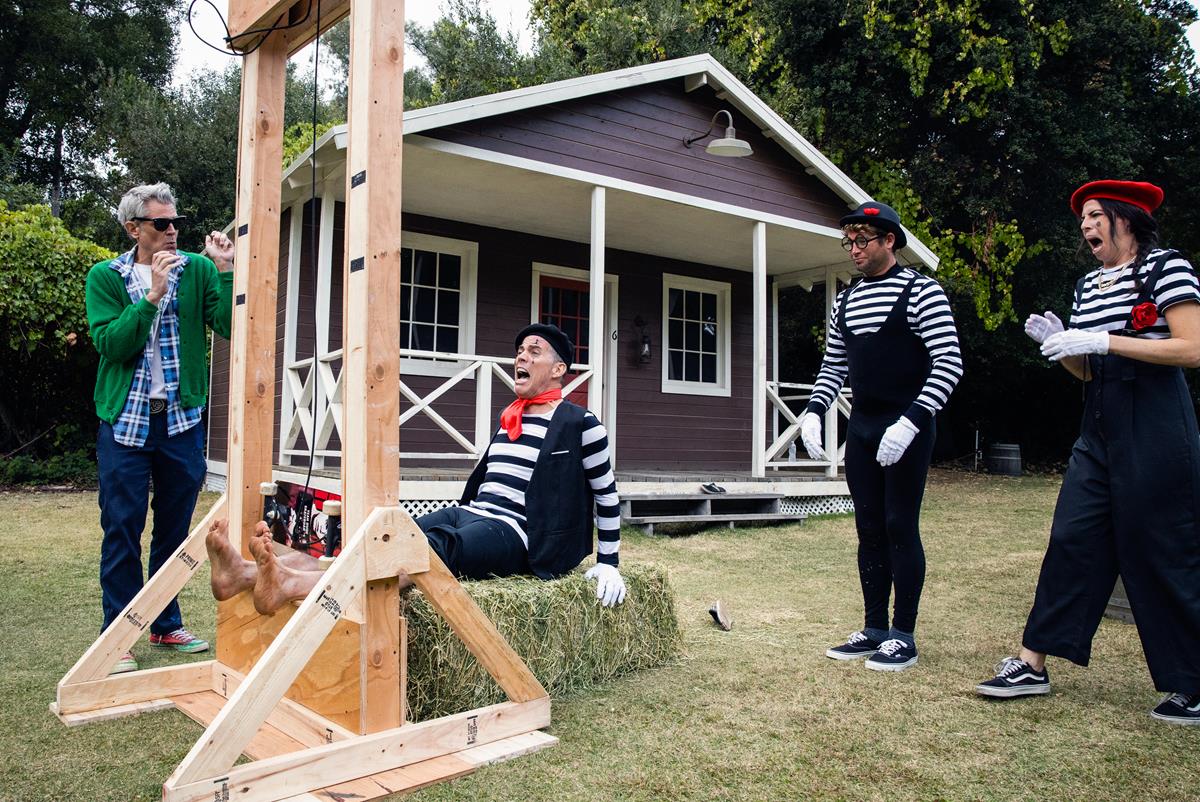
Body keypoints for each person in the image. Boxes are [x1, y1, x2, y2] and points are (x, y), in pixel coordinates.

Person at [975, 180, 1200, 725]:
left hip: (1156, 422)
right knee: (1071, 538)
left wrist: (1103, 340)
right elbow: (1085, 368)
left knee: (1160, 550)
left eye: (1095, 215)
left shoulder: (1167, 267)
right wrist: (1061, 345)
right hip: (1097, 422)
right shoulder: (1086, 285)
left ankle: (1191, 684)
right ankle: (1032, 663)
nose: (1085, 226)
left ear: (1126, 217)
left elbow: (1192, 348)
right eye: (1082, 219)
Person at [206, 323, 627, 611]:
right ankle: (243, 574)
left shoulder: (581, 424)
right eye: (519, 350)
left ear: (558, 370)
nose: (521, 356)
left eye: (534, 352)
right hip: (475, 512)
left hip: (520, 533)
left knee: (439, 546)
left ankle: (294, 585)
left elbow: (606, 496)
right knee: (388, 536)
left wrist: (608, 561)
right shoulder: (511, 415)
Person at [798, 201, 963, 671]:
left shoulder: (921, 292)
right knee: (868, 526)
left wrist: (911, 421)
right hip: (866, 427)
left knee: (898, 524)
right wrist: (813, 411)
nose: (853, 249)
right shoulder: (845, 300)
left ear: (889, 240)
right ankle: (873, 628)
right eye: (847, 241)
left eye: (862, 241)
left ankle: (903, 635)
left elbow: (949, 364)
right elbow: (835, 364)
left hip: (908, 425)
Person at [86, 183, 234, 674]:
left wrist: (226, 270)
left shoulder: (197, 270)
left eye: (176, 223)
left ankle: (165, 622)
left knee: (173, 532)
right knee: (122, 528)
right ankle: (118, 634)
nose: (173, 232)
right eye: (161, 224)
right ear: (134, 229)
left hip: (180, 422)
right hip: (124, 423)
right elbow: (112, 345)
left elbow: (231, 325)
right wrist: (152, 296)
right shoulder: (105, 277)